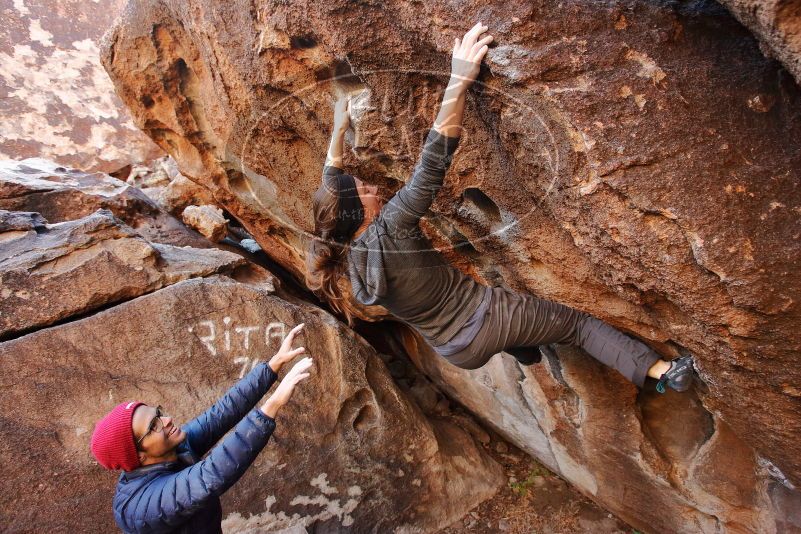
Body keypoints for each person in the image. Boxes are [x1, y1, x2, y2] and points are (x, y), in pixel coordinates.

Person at [306, 22, 694, 393]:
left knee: (512, 317)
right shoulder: (394, 223)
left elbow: (332, 186)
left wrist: (339, 131)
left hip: (455, 351)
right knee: (578, 326)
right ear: (360, 210)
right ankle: (662, 372)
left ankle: (524, 345)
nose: (373, 187)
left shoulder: (345, 260)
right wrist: (459, 77)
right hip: (488, 321)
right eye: (365, 189)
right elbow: (433, 160)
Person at [90, 323, 313, 533]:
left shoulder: (172, 450)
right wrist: (272, 405)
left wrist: (273, 365)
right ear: (137, 455)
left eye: (158, 413)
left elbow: (221, 413)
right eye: (154, 425)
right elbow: (211, 475)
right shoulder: (143, 507)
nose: (166, 420)